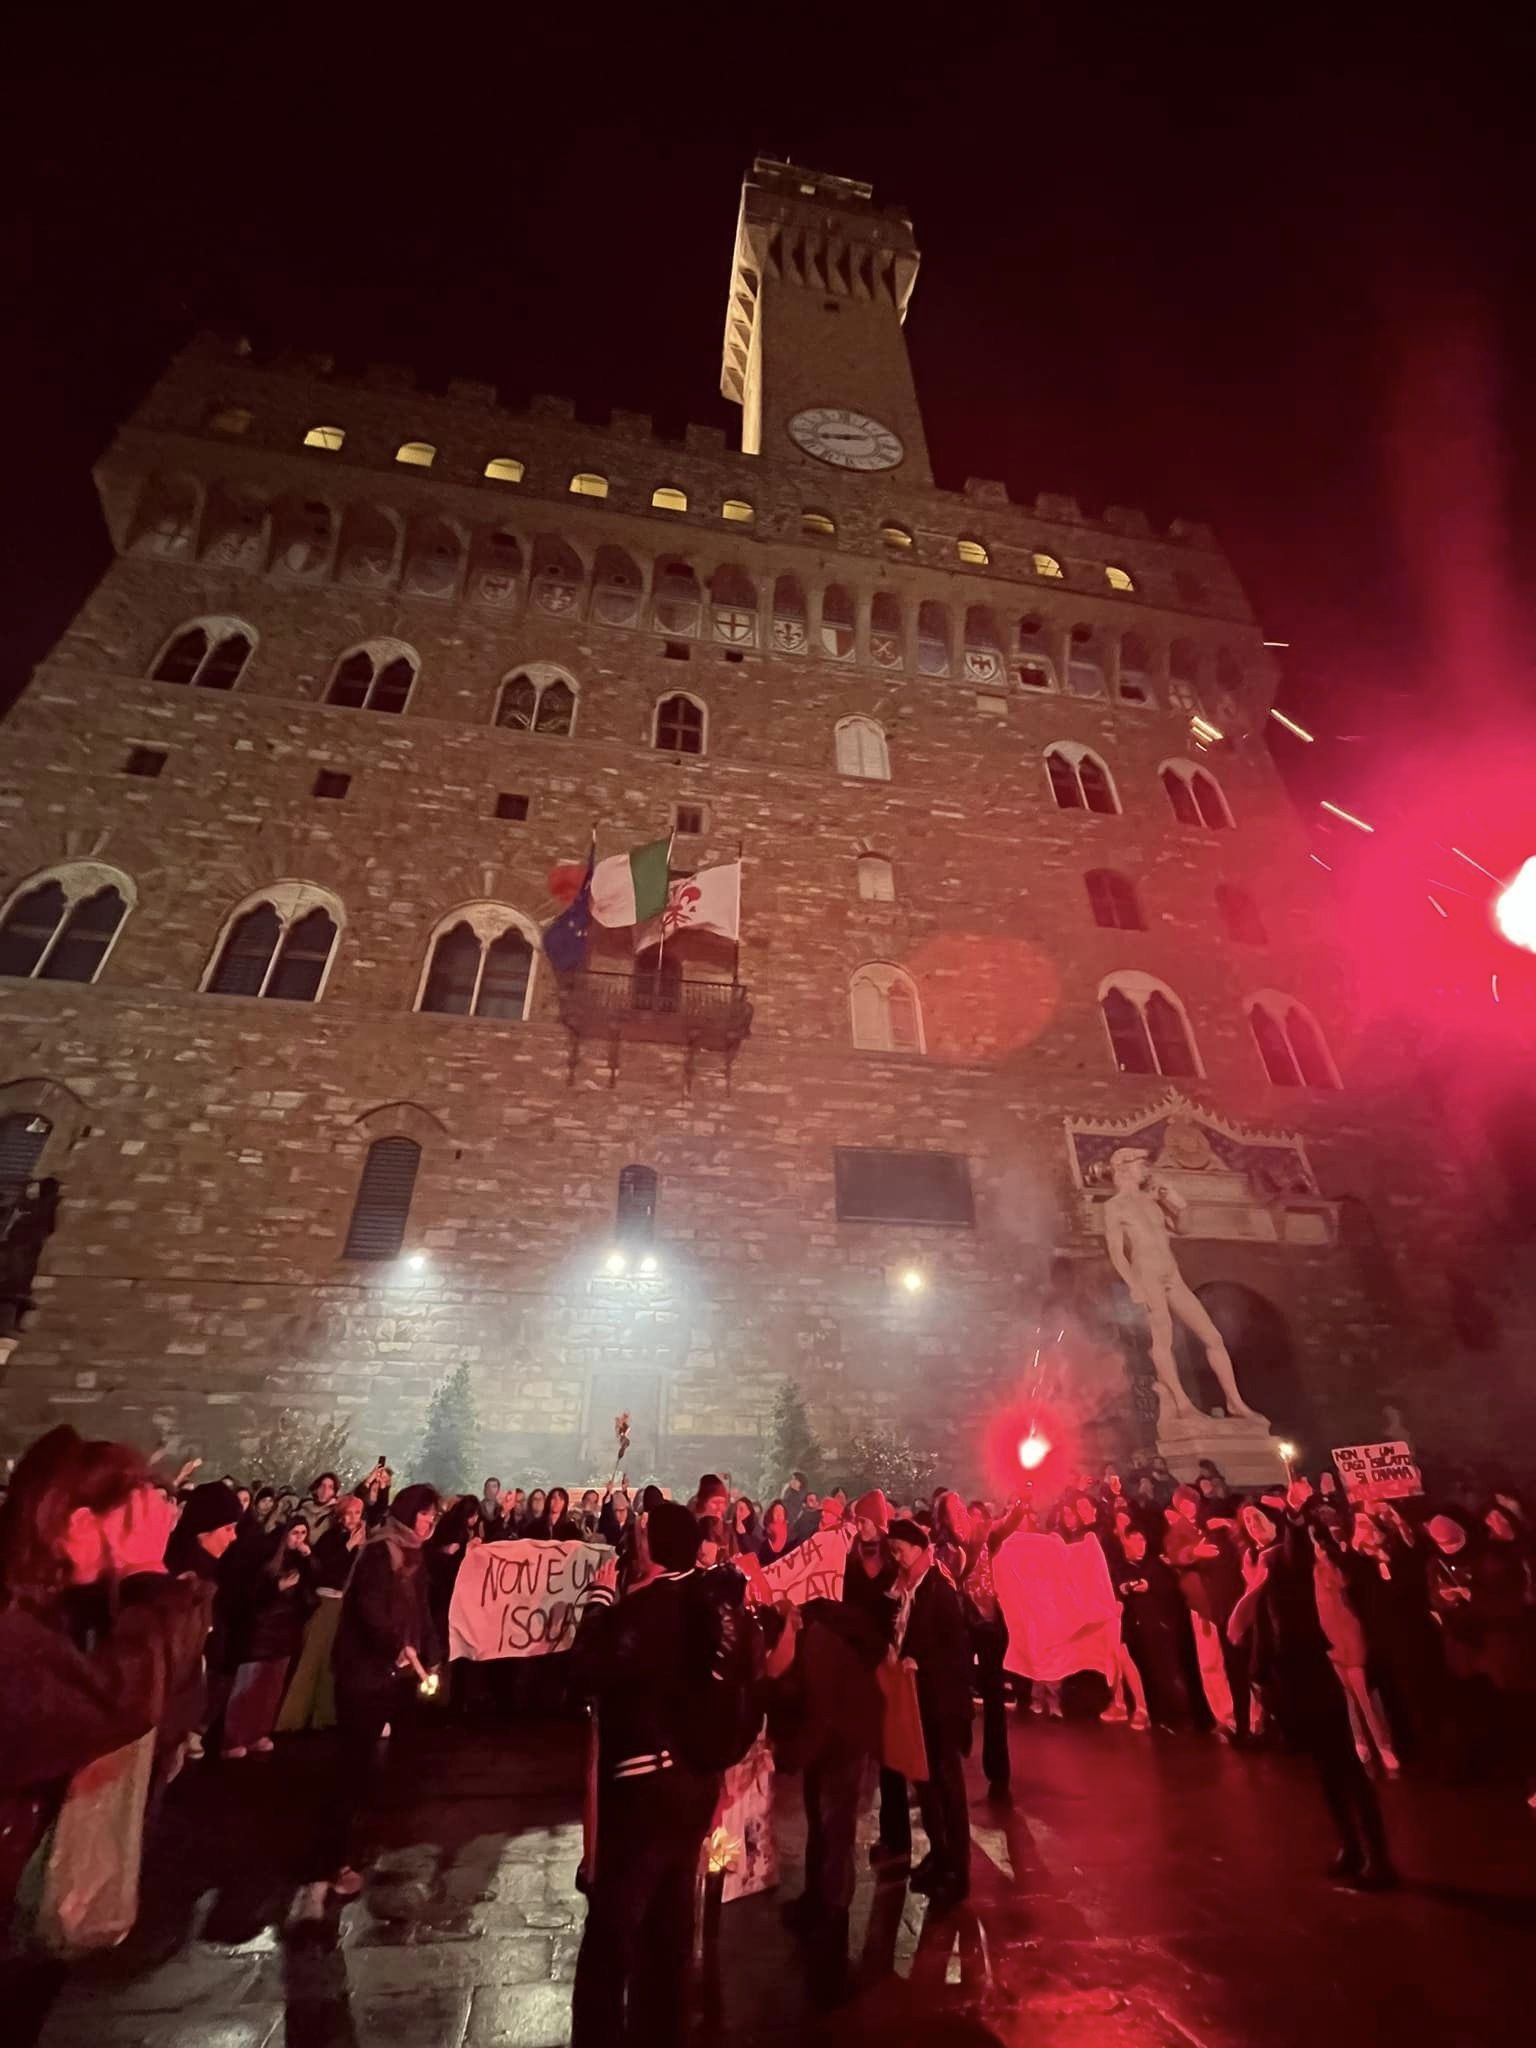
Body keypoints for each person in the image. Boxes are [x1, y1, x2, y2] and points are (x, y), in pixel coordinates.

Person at [0, 1427, 213, 1919]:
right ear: (77, 1525)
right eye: (128, 1520)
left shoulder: (68, 1606)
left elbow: (165, 1702)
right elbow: (113, 1704)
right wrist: (144, 1572)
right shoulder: (15, 1623)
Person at [569, 1500, 720, 2046]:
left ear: (652, 1547)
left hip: (644, 1790)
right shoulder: (702, 1600)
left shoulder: (642, 1610)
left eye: (640, 1533)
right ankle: (664, 2027)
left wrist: (601, 1601)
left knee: (612, 1932)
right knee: (671, 1926)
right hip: (694, 1788)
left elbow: (584, 1670)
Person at [1229, 1489, 1396, 1888]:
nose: (1253, 1524)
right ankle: (1349, 1845)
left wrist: (1297, 1512)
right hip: (1282, 1671)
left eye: (1259, 1518)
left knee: (1345, 1764)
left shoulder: (1289, 1556)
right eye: (1247, 1520)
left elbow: (1298, 1547)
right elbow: (1244, 1628)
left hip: (1311, 1667)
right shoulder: (1257, 1561)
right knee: (1324, 1767)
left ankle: (1378, 1856)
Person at [302, 1484, 441, 1902]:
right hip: (365, 1675)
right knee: (350, 1767)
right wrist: (397, 1646)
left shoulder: (415, 1554)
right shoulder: (380, 1552)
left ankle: (362, 1840)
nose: (431, 1520)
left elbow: (422, 1611)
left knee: (385, 1763)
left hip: (396, 1676)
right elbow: (369, 1608)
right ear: (408, 1512)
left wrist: (431, 1655)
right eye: (426, 1512)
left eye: (434, 1513)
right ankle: (327, 1862)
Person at [887, 1517, 972, 1910]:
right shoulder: (908, 1590)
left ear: (919, 1549)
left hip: (940, 1706)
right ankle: (939, 1854)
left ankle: (958, 1869)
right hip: (917, 1706)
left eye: (901, 1548)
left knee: (948, 1787)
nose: (897, 1555)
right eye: (894, 1550)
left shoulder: (939, 1589)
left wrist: (920, 1662)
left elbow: (956, 1649)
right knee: (927, 1786)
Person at [933, 1490, 1024, 1796]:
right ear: (944, 1516)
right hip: (962, 1626)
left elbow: (1007, 1524)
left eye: (962, 1505)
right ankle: (958, 1738)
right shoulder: (943, 1548)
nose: (961, 1509)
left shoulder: (983, 1533)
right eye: (954, 1507)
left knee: (994, 1699)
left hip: (989, 1624)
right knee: (956, 1690)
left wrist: (1022, 1499)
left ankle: (999, 1775)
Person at [223, 1517, 316, 1758]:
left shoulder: (300, 1561)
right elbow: (250, 1594)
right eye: (295, 1532)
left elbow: (317, 1580)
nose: (299, 1538)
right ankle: (233, 1738)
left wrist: (308, 1558)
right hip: (261, 1632)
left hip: (285, 1632)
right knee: (247, 1688)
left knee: (270, 1689)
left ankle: (258, 1733)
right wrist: (276, 1588)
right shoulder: (266, 1558)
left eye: (303, 1533)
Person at [162, 1479, 243, 1756]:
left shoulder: (212, 1569)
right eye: (228, 1529)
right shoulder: (184, 1576)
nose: (234, 1537)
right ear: (203, 1531)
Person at [278, 1489, 366, 1733]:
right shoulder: (331, 1539)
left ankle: (323, 1715)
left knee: (330, 1663)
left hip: (342, 1605)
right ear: (339, 1515)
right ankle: (290, 1718)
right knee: (310, 1657)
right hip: (323, 1602)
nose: (353, 1518)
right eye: (348, 1513)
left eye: (357, 1513)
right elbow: (325, 1571)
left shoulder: (362, 1543)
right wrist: (348, 1546)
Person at [1163, 1486, 1238, 1735]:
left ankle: (1247, 1712)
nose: (1188, 1507)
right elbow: (1176, 1554)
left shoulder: (1210, 1523)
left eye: (1191, 1502)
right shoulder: (1177, 1532)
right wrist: (1194, 1552)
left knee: (1234, 1659)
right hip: (1201, 1606)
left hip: (1224, 1600)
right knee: (1211, 1663)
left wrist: (1228, 1524)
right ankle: (1224, 1716)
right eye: (1183, 1504)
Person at [1112, 1524, 1185, 1727]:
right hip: (1133, 1628)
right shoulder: (1119, 1567)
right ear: (1125, 1542)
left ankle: (1170, 1717)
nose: (1139, 1545)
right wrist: (1127, 1588)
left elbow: (1169, 1588)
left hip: (1156, 1626)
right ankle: (1144, 1709)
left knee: (1162, 1671)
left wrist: (1149, 1586)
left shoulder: (1155, 1565)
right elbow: (1120, 1587)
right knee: (1139, 1668)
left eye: (1142, 1540)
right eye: (1134, 1540)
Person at [298, 1472, 340, 1539]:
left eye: (330, 1487)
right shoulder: (304, 1506)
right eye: (322, 1485)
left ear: (335, 1492)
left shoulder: (334, 1515)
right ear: (316, 1488)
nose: (325, 1490)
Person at [756, 1498, 795, 1567]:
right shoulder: (763, 1536)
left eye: (781, 1511)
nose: (779, 1514)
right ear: (771, 1514)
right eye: (776, 1511)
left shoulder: (791, 1535)